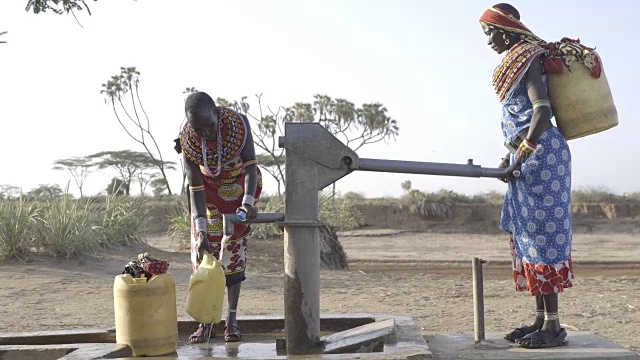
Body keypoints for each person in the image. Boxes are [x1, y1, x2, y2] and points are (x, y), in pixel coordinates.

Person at [478, 3, 598, 349]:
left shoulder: (527, 57)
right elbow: (519, 122)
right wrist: (511, 156)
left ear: (505, 29)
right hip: (529, 154)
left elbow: (541, 111)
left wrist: (523, 155)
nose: (488, 42)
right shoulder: (517, 60)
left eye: (490, 33)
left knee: (543, 238)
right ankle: (539, 319)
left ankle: (554, 328)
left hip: (544, 156)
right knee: (528, 236)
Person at [175, 91, 262, 343]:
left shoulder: (238, 126)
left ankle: (232, 320)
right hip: (207, 194)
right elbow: (195, 187)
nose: (206, 133)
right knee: (205, 256)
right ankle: (206, 322)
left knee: (233, 254)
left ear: (217, 113)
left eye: (210, 126)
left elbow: (250, 168)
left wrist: (247, 205)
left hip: (239, 187)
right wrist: (200, 230)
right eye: (198, 129)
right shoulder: (187, 141)